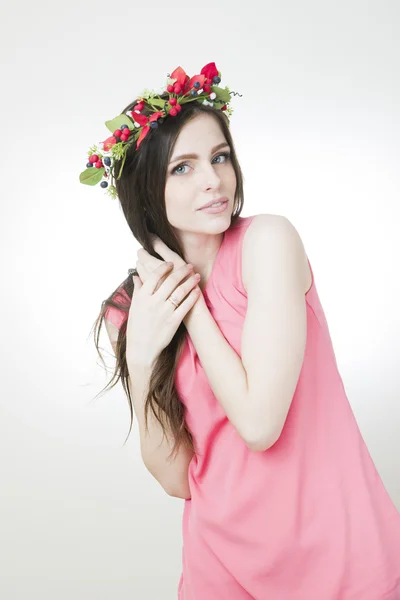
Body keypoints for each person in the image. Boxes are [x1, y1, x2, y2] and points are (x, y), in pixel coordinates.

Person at [82, 63, 400, 599]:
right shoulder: (132, 309)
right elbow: (177, 478)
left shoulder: (267, 243)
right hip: (219, 569)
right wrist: (140, 358)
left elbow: (259, 424)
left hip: (339, 558)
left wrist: (192, 309)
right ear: (145, 190)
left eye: (219, 156)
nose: (213, 180)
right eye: (182, 168)